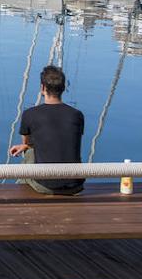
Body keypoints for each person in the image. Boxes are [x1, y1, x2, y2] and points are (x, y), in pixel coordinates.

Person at [8, 66, 85, 195]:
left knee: (30, 152)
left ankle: (22, 195)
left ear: (43, 88)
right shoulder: (77, 115)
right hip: (75, 185)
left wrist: (25, 146)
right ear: (63, 88)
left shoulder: (30, 114)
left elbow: (27, 142)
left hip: (46, 186)